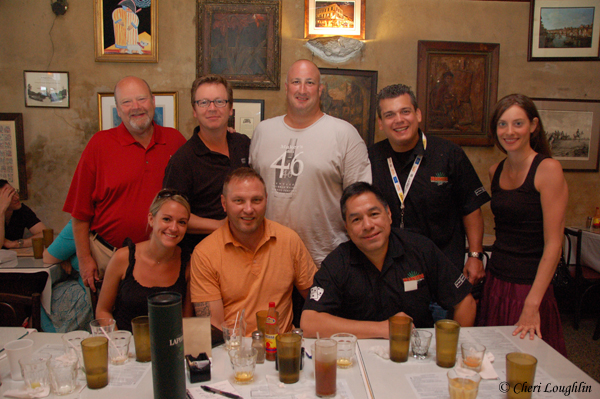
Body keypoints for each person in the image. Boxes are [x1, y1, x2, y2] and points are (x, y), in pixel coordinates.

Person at [301, 182, 476, 338]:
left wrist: (451, 352)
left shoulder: (420, 249)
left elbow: (465, 303)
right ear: (347, 227)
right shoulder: (337, 263)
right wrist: (382, 329)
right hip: (358, 358)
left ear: (389, 214)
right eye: (356, 219)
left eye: (374, 214)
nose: (368, 225)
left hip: (415, 354)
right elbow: (309, 323)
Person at [63, 76, 186, 292]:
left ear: (153, 101)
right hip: (108, 256)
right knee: (110, 320)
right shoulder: (99, 145)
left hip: (165, 259)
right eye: (127, 102)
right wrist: (84, 260)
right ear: (118, 110)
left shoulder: (175, 140)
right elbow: (79, 213)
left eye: (141, 99)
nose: (136, 107)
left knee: (165, 321)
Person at [250, 59, 371, 266]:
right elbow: (251, 192)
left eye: (310, 83)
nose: (302, 89)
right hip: (269, 256)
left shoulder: (344, 134)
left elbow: (360, 200)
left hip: (326, 258)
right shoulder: (263, 131)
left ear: (321, 89)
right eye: (296, 82)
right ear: (287, 88)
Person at [368, 84, 490, 290]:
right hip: (389, 272)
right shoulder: (370, 158)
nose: (399, 120)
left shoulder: (449, 154)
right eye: (389, 115)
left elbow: (471, 209)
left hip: (442, 271)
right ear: (381, 123)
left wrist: (475, 256)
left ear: (418, 114)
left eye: (405, 111)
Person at [477, 94, 568, 356]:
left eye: (518, 123)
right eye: (502, 124)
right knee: (493, 360)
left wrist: (532, 303)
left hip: (529, 286)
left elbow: (554, 244)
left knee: (529, 367)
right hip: (496, 280)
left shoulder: (548, 169)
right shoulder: (496, 170)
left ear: (533, 125)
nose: (509, 131)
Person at [190, 167, 317, 336]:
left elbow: (317, 299)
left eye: (256, 200)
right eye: (239, 201)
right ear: (224, 203)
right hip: (234, 351)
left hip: (282, 349)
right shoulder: (205, 253)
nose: (249, 209)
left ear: (266, 200)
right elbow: (214, 329)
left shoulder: (288, 240)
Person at [163, 75, 250, 252]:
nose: (212, 108)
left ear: (231, 108)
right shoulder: (183, 160)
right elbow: (172, 214)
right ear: (194, 110)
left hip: (245, 249)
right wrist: (220, 225)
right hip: (203, 253)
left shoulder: (243, 144)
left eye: (219, 101)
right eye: (203, 102)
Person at [96, 189, 194, 332]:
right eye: (166, 219)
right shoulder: (123, 258)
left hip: (168, 347)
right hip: (125, 346)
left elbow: (186, 321)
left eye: (182, 222)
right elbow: (103, 311)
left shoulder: (188, 264)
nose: (173, 228)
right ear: (151, 219)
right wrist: (119, 344)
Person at [41, 220, 93, 333]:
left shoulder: (81, 221)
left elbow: (48, 257)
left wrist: (66, 255)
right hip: (122, 290)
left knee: (40, 295)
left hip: (91, 292)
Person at [0, 180, 46, 249]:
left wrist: (15, 244)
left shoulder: (21, 210)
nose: (17, 198)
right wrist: (2, 210)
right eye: (10, 196)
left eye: (15, 192)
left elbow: (45, 235)